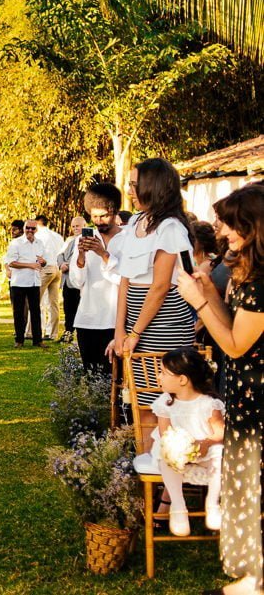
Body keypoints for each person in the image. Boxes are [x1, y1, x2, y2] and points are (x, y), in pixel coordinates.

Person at [177, 183, 263, 595]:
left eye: (230, 224)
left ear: (253, 226)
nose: (223, 232)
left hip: (258, 399)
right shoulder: (250, 272)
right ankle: (254, 578)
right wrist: (210, 292)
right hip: (246, 395)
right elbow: (232, 324)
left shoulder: (262, 283)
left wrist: (197, 303)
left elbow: (234, 344)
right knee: (247, 484)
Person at [115, 158, 196, 405]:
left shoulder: (170, 228)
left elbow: (160, 287)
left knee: (164, 399)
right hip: (136, 325)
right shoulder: (135, 222)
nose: (130, 191)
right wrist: (119, 330)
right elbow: (124, 280)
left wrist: (135, 333)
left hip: (166, 325)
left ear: (154, 187)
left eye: (134, 185)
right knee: (139, 399)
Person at [148, 348, 225, 536]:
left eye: (163, 373)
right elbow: (165, 434)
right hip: (176, 452)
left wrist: (204, 444)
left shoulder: (208, 403)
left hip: (204, 450)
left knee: (219, 456)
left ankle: (212, 503)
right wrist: (178, 449)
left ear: (182, 380)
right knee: (164, 458)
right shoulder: (165, 402)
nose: (158, 377)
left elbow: (219, 432)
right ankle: (178, 507)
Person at [69, 183, 125, 375]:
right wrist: (81, 257)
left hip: (117, 320)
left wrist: (103, 254)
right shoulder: (83, 239)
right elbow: (76, 282)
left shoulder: (128, 239)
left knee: (117, 376)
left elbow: (127, 279)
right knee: (92, 376)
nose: (99, 222)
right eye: (94, 217)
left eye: (104, 216)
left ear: (114, 212)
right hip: (88, 319)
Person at [5, 219, 49, 348]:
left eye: (33, 228)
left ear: (36, 230)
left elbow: (43, 262)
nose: (30, 230)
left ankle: (38, 340)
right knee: (19, 313)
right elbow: (11, 262)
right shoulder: (16, 243)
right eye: (27, 228)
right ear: (24, 228)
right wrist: (30, 265)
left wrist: (43, 262)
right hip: (19, 282)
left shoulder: (39, 243)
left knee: (36, 312)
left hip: (35, 281)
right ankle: (19, 340)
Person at [34, 215, 64, 340]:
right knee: (53, 303)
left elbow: (36, 254)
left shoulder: (38, 236)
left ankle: (35, 331)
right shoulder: (57, 236)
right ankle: (52, 333)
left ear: (37, 224)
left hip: (45, 269)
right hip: (57, 269)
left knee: (36, 301)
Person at [57, 216, 86, 343]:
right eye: (73, 226)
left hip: (79, 281)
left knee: (79, 309)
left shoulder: (87, 240)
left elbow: (83, 258)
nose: (75, 228)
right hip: (67, 280)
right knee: (68, 309)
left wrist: (68, 265)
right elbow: (60, 255)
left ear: (84, 226)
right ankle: (68, 333)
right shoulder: (70, 240)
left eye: (77, 226)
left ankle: (80, 335)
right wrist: (61, 264)